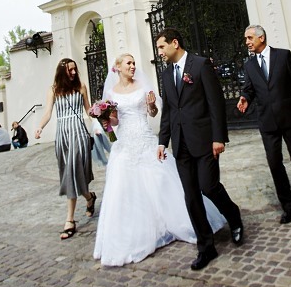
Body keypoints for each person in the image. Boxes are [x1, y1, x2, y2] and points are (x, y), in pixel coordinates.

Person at [93, 53, 226, 267]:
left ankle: (178, 224)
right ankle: (139, 232)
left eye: (134, 62)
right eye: (129, 63)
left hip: (145, 137)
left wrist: (152, 105)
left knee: (160, 181)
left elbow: (153, 113)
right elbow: (114, 123)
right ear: (118, 67)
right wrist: (104, 118)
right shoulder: (110, 92)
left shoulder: (143, 85)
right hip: (125, 143)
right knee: (126, 188)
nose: (133, 66)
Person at [156, 27, 243, 271]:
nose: (160, 52)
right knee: (191, 196)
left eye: (162, 46)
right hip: (180, 143)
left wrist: (219, 137)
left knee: (209, 186)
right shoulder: (165, 75)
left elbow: (215, 103)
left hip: (204, 140)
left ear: (175, 43)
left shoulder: (201, 64)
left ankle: (233, 216)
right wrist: (163, 141)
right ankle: (206, 248)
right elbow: (169, 111)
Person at [237, 24, 291, 224]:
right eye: (246, 39)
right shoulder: (249, 65)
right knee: (274, 164)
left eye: (249, 38)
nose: (247, 42)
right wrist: (244, 97)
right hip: (267, 121)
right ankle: (289, 206)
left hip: (290, 116)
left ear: (261, 38)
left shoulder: (283, 56)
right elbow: (249, 88)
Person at [34, 58, 96, 241]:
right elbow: (47, 113)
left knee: (72, 172)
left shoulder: (81, 86)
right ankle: (89, 197)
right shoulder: (54, 90)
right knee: (71, 173)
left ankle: (70, 220)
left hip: (79, 133)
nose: (74, 73)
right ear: (62, 72)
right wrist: (40, 127)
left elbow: (88, 110)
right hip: (62, 136)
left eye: (75, 69)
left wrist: (101, 118)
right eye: (70, 70)